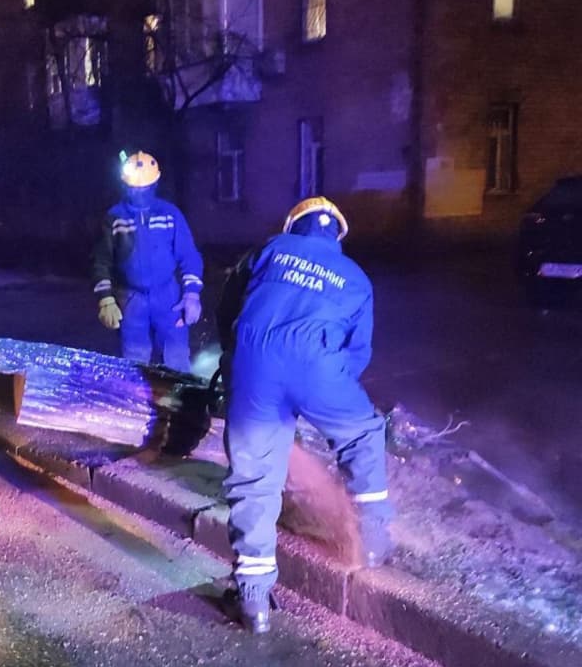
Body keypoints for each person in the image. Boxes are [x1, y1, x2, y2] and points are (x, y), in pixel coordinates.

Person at [217, 196, 392, 634]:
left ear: (293, 225)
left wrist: (239, 361)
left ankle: (254, 600)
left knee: (254, 479)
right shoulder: (356, 278)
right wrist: (320, 389)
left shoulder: (269, 250)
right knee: (361, 435)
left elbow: (230, 308)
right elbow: (357, 353)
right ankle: (371, 545)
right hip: (319, 368)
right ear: (337, 235)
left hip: (255, 366)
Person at [92, 150, 204, 372]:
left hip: (168, 297)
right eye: (134, 188)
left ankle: (182, 402)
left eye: (143, 188)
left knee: (177, 358)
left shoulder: (170, 214)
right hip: (131, 298)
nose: (138, 192)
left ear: (154, 185)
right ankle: (136, 403)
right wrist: (105, 299)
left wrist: (191, 294)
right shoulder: (115, 217)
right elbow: (101, 260)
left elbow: (188, 255)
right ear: (124, 186)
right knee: (134, 362)